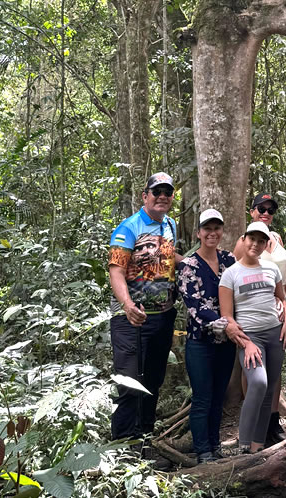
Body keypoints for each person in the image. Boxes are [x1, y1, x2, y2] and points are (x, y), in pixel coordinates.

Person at [107, 172, 179, 450]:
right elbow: (116, 271)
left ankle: (145, 443)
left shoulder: (171, 225)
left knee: (153, 381)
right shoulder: (128, 228)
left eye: (167, 192)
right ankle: (123, 448)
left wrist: (206, 262)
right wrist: (127, 305)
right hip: (130, 320)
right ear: (144, 195)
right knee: (128, 383)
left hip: (163, 317)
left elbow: (171, 259)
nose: (162, 196)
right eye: (156, 191)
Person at [219, 221, 286, 454]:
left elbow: (281, 298)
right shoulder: (231, 273)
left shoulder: (271, 270)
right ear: (244, 240)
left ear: (265, 244)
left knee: (269, 389)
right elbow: (227, 317)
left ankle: (257, 448)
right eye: (252, 239)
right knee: (258, 382)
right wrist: (247, 342)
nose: (256, 244)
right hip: (250, 336)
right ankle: (243, 445)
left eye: (261, 241)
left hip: (275, 334)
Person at [234, 192, 286, 445]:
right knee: (251, 371)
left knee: (275, 370)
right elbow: (237, 277)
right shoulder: (244, 241)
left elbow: (284, 275)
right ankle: (253, 425)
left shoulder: (276, 238)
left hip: (277, 315)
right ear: (251, 211)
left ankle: (272, 421)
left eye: (270, 210)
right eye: (261, 208)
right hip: (253, 317)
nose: (266, 213)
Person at [177, 208, 237, 464]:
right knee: (202, 396)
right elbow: (195, 308)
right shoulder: (188, 266)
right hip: (200, 343)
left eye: (217, 229)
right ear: (199, 233)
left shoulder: (229, 260)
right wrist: (227, 323)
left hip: (226, 343)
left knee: (219, 395)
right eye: (207, 229)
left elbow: (240, 293)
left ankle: (215, 445)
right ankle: (203, 451)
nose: (212, 233)